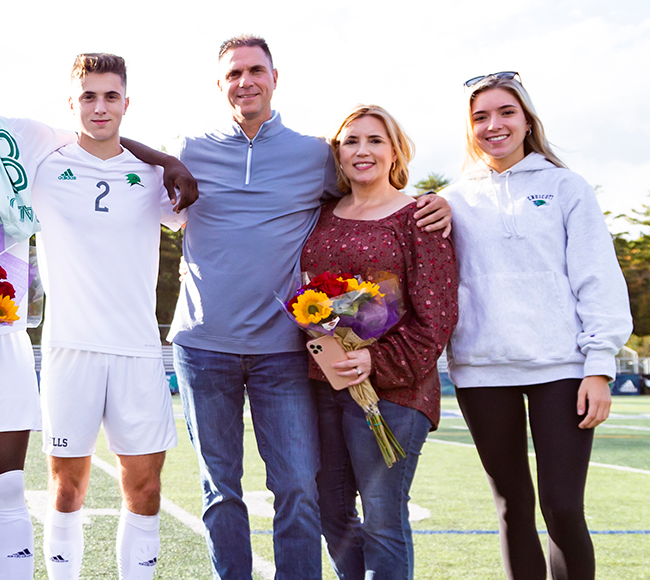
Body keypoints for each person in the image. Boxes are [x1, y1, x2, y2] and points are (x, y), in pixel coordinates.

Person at [0, 13, 195, 580]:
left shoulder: (21, 138)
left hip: (3, 341)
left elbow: (100, 136)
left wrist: (165, 160)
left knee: (8, 489)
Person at [168, 35, 450, 579]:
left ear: (275, 77)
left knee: (298, 486)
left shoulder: (315, 154)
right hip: (203, 347)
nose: (244, 81)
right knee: (219, 489)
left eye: (255, 70)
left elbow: (374, 187)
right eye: (233, 73)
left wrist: (442, 199)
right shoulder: (188, 148)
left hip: (283, 353)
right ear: (219, 83)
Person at [442, 72, 630, 580]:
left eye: (506, 112)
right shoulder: (452, 201)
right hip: (482, 373)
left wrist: (599, 366)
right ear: (469, 128)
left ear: (527, 120)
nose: (493, 125)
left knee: (563, 508)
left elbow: (597, 278)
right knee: (512, 509)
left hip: (562, 370)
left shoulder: (566, 187)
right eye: (480, 117)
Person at [31, 53, 189, 580]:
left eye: (111, 96)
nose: (100, 107)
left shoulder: (152, 175)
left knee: (144, 489)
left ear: (126, 102)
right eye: (88, 97)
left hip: (137, 350)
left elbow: (190, 215)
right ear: (71, 103)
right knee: (66, 488)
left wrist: (168, 160)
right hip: (68, 348)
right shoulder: (41, 166)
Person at [303, 105, 458, 579]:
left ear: (395, 151)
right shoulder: (322, 214)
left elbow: (437, 316)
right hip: (323, 384)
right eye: (351, 141)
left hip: (394, 389)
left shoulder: (419, 217)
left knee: (383, 514)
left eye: (375, 140)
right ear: (338, 153)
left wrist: (374, 359)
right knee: (330, 511)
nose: (362, 150)